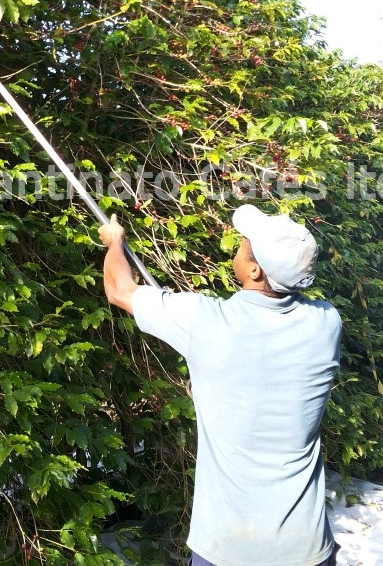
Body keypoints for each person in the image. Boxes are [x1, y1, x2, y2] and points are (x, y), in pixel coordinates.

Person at [98, 204, 342, 566]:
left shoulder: (206, 322)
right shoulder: (327, 323)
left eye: (243, 247)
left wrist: (114, 242)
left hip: (229, 551)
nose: (236, 251)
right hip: (306, 548)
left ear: (255, 270)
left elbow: (119, 290)